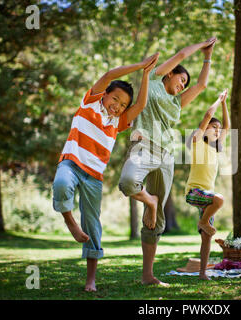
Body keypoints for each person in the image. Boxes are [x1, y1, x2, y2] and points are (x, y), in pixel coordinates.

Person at [52, 53, 159, 292]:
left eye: (123, 105)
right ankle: (70, 221)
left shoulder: (118, 123)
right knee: (61, 184)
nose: (118, 106)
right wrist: (140, 64)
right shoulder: (89, 102)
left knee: (92, 225)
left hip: (94, 177)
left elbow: (140, 105)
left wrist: (146, 75)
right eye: (116, 99)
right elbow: (110, 75)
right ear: (106, 94)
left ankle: (91, 280)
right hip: (71, 163)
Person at [118, 37, 217, 286]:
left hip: (165, 156)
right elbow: (182, 54)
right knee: (128, 181)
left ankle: (148, 276)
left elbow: (203, 85)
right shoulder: (152, 81)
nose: (183, 86)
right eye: (181, 80)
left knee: (158, 217)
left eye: (185, 85)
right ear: (170, 73)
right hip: (142, 147)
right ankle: (148, 200)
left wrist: (208, 57)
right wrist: (203, 45)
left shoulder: (177, 103)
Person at [184, 89, 230, 280]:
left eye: (217, 129)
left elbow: (227, 126)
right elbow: (207, 115)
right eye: (213, 127)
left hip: (206, 197)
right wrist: (218, 100)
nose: (217, 130)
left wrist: (225, 104)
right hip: (194, 192)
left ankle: (203, 273)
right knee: (219, 199)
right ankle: (203, 222)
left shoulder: (215, 149)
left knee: (206, 237)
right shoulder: (197, 142)